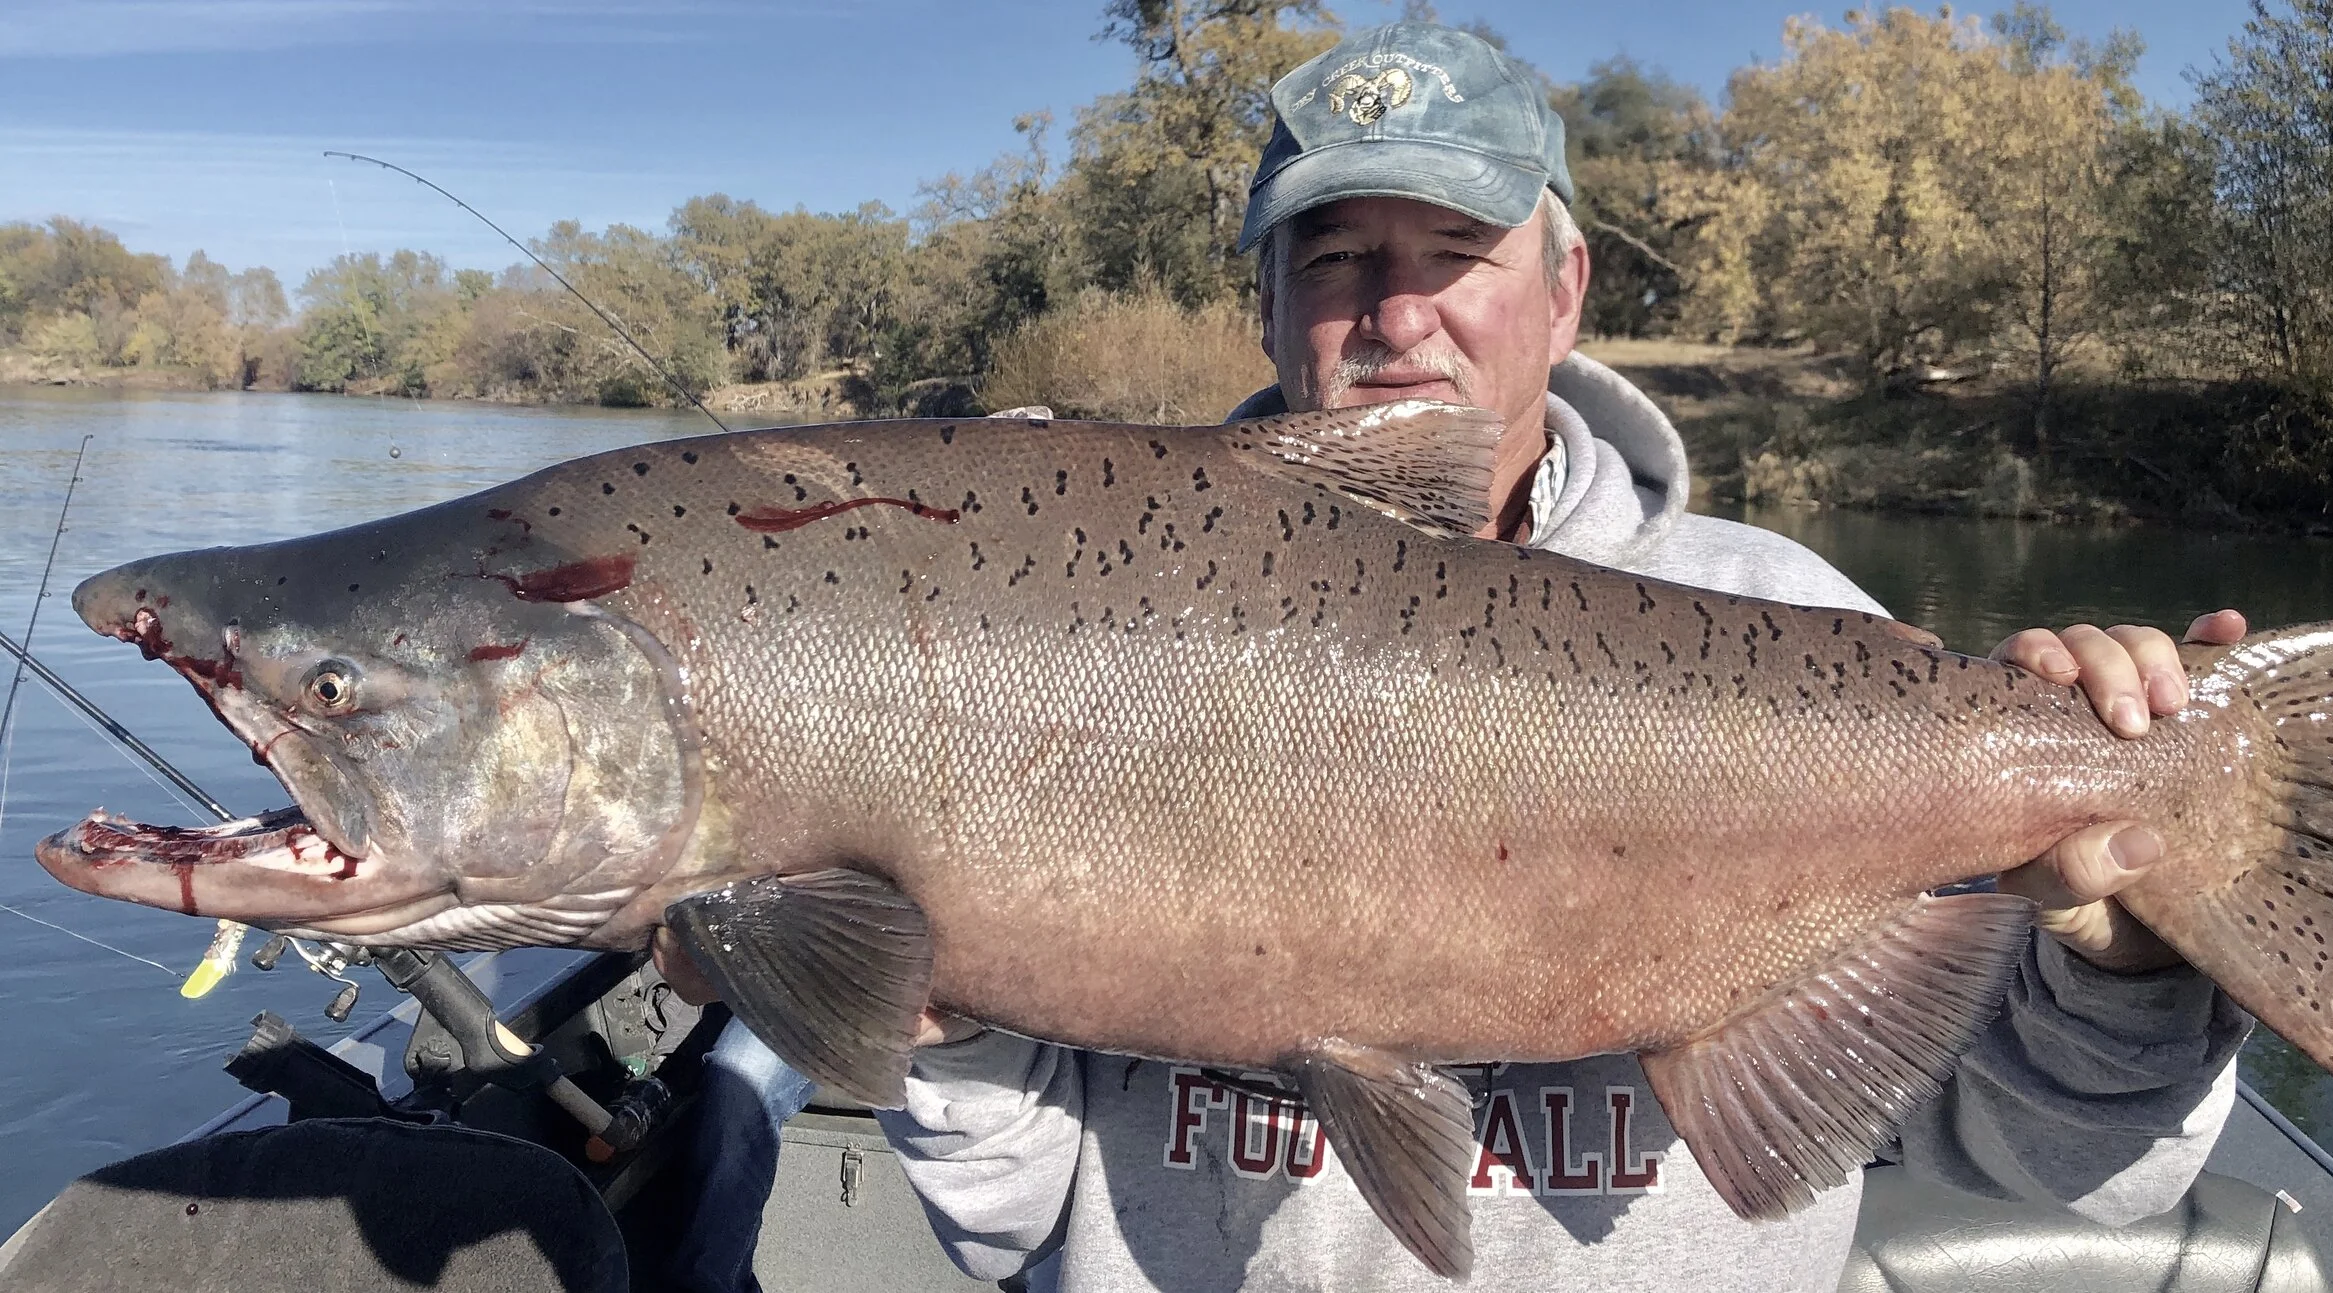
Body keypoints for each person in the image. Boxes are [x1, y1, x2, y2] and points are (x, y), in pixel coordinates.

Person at [662, 22, 2252, 1290]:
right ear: (1272, 305)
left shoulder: (1793, 621)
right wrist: (942, 1027)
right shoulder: (1068, 640)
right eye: (1338, 255)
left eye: (1454, 250)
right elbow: (1023, 1229)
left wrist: (2133, 941)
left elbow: (2060, 1174)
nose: (1396, 316)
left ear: (1565, 295)